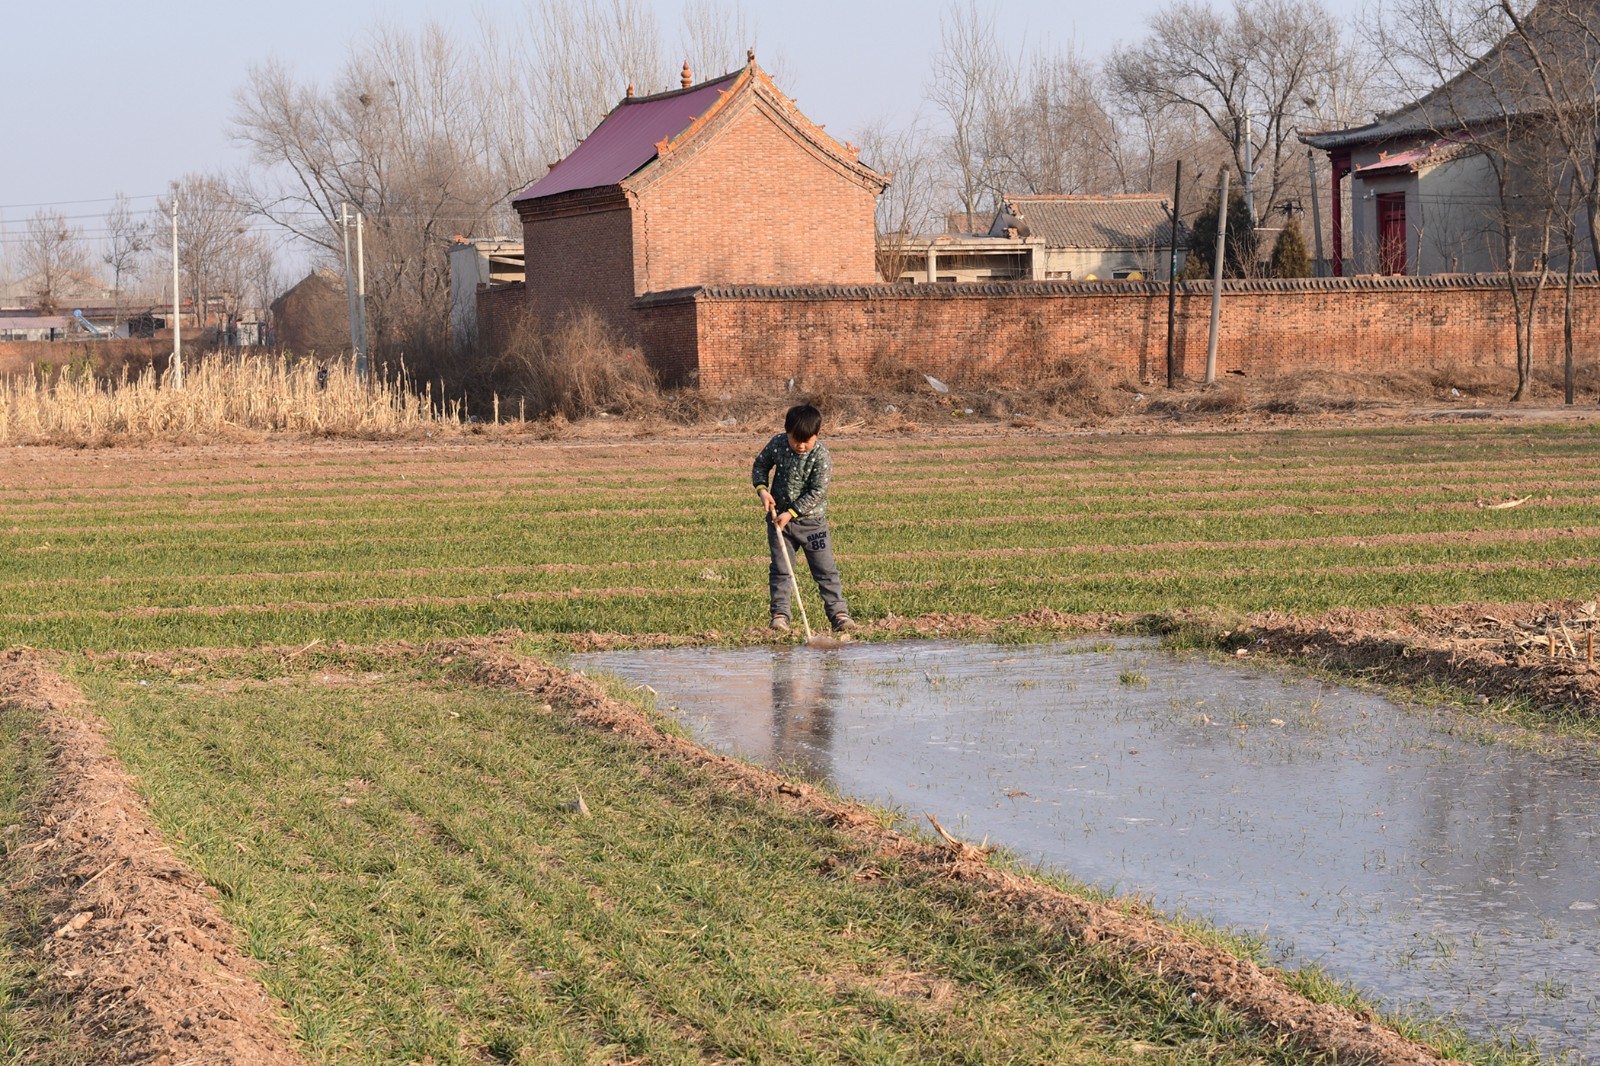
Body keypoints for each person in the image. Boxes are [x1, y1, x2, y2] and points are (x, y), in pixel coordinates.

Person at [751, 404, 857, 633]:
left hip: (812, 524)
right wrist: (762, 490)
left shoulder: (821, 456)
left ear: (817, 435)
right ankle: (780, 616)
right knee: (781, 569)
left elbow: (817, 492)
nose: (800, 445)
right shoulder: (778, 444)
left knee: (825, 569)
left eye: (806, 440)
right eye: (795, 439)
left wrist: (791, 513)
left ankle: (839, 614)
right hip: (779, 523)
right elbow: (760, 465)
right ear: (786, 432)